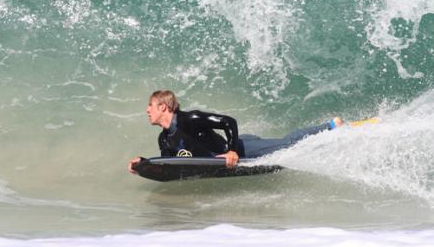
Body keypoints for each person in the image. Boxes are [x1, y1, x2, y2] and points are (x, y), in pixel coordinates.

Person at [127, 90, 343, 174]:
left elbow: (228, 122)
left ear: (163, 107)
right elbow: (169, 165)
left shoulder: (189, 119)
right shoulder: (164, 138)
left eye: (150, 105)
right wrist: (144, 164)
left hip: (242, 148)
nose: (147, 110)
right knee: (286, 146)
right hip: (229, 152)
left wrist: (231, 151)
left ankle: (331, 126)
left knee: (290, 145)